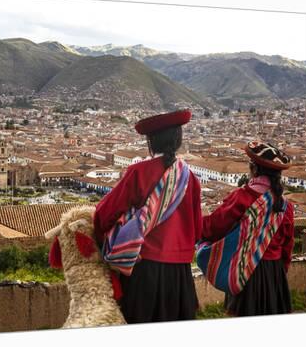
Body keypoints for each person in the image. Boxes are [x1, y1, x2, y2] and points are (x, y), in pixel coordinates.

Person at [93, 109, 202, 323]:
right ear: (178, 139)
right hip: (180, 273)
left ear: (151, 142)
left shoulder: (139, 172)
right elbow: (197, 229)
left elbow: (105, 214)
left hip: (143, 268)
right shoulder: (190, 178)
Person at [201, 141, 294, 316]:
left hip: (244, 270)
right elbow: (287, 247)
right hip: (274, 273)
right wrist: (280, 272)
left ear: (253, 169)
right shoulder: (285, 206)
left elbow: (213, 227)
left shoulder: (241, 197)